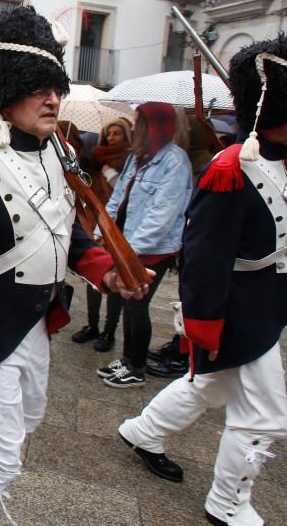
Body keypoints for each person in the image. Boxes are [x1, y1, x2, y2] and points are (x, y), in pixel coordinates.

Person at [0, 6, 149, 524]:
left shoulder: (58, 153)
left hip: (36, 319)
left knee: (26, 417)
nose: (53, 99)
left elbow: (68, 233)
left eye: (56, 87)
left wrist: (105, 269)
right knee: (3, 452)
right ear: (9, 92)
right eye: (39, 88)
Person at [118, 35, 287, 526]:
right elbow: (206, 256)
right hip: (238, 312)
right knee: (264, 418)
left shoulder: (282, 163)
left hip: (265, 304)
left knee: (209, 386)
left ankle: (143, 431)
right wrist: (202, 323)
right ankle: (227, 505)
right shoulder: (230, 169)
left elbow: (274, 235)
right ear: (280, 108)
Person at [97, 103, 192, 387]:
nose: (135, 128)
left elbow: (162, 214)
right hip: (125, 242)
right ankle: (127, 359)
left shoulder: (175, 162)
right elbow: (118, 198)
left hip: (151, 249)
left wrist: (130, 252)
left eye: (140, 123)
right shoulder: (137, 158)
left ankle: (136, 366)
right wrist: (101, 231)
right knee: (127, 302)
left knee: (137, 304)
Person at [72, 116, 132, 350]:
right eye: (109, 133)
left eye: (117, 133)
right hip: (97, 220)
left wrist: (111, 175)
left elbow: (126, 194)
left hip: (119, 227)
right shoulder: (95, 158)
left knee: (116, 277)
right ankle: (92, 324)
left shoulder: (131, 160)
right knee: (96, 275)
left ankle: (109, 330)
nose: (112, 137)